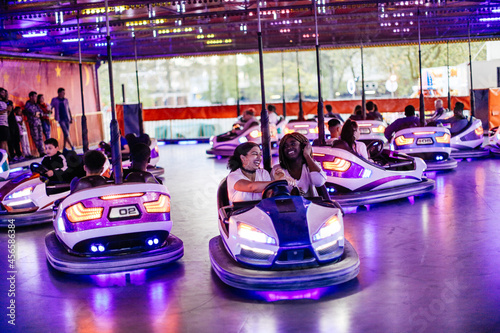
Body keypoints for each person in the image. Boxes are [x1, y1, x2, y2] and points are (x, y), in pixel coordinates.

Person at [226, 142, 292, 203]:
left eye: (260, 154)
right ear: (243, 158)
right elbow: (251, 187)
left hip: (261, 213)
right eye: (255, 154)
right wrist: (277, 182)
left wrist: (278, 180)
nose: (259, 158)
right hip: (240, 213)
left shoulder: (263, 173)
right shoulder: (233, 176)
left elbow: (268, 195)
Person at [271, 133, 326, 197]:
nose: (289, 147)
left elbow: (319, 182)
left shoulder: (311, 166)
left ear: (303, 146)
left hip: (312, 205)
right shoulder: (277, 170)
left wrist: (307, 155)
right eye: (285, 146)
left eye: (293, 144)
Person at [24, 91, 45, 156]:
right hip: (33, 124)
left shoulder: (36, 105)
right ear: (31, 97)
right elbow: (33, 113)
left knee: (40, 137)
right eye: (35, 96)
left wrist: (37, 114)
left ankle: (42, 151)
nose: (36, 98)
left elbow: (41, 113)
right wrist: (36, 114)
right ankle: (40, 152)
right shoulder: (28, 104)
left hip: (39, 123)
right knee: (36, 138)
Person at [0, 88, 10, 154]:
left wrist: (8, 111)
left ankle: (6, 157)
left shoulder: (4, 102)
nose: (4, 94)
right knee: (2, 141)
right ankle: (2, 157)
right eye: (2, 92)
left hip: (6, 124)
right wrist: (6, 110)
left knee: (5, 141)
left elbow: (6, 115)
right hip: (1, 124)